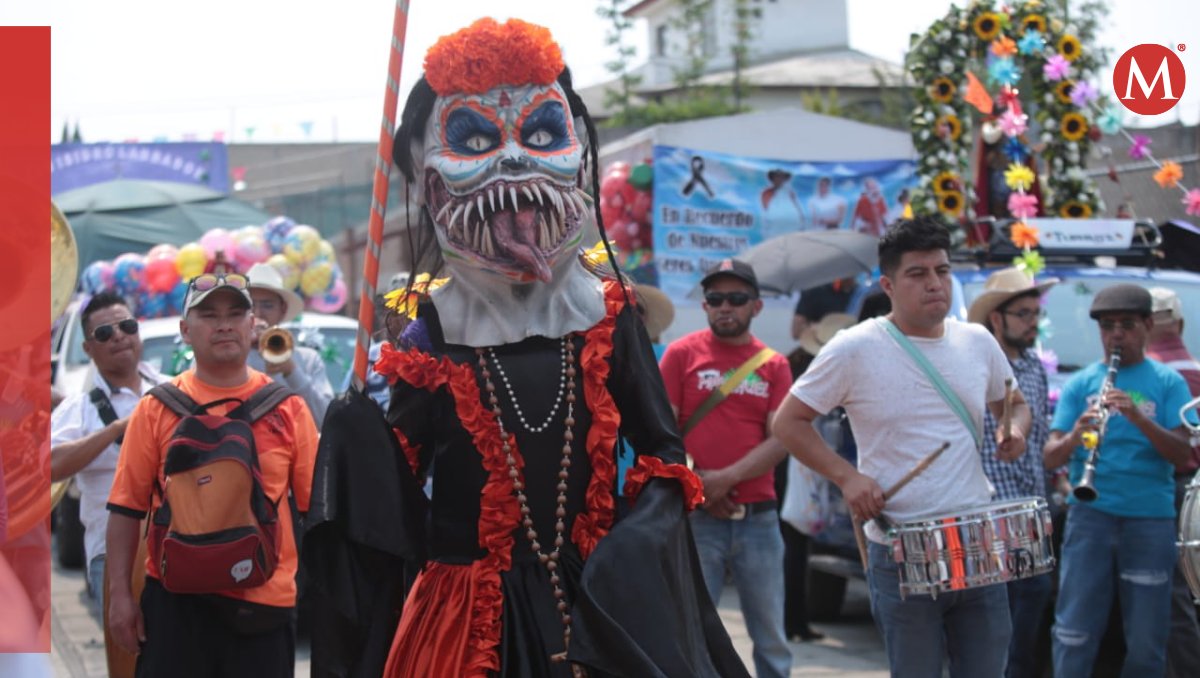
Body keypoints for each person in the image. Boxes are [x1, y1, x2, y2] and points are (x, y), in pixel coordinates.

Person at [304, 18, 749, 678]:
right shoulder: (428, 327)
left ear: (578, 158)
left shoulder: (607, 313)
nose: (513, 159)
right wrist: (354, 437)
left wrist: (638, 536)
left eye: (541, 134)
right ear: (430, 183)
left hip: (595, 598)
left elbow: (663, 449)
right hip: (465, 609)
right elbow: (401, 481)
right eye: (474, 140)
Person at [772, 217, 1031, 677]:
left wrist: (1014, 431)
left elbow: (1013, 403)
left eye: (942, 271)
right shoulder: (853, 348)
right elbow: (788, 422)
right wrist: (848, 477)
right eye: (918, 274)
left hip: (977, 543)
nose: (934, 284)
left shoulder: (977, 340)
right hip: (899, 544)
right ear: (888, 284)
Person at [105, 273, 319, 678]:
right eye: (209, 316)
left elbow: (315, 511)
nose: (224, 324)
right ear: (186, 330)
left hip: (265, 604)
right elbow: (125, 508)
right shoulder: (155, 410)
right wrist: (120, 596)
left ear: (252, 325)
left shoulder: (289, 409)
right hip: (175, 604)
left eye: (235, 314)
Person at [1043, 284, 1196, 677]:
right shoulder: (1081, 384)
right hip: (1089, 519)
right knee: (1074, 632)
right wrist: (1076, 435)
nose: (1116, 335)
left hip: (1149, 520)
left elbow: (1183, 454)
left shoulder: (1167, 382)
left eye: (1126, 325)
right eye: (1107, 327)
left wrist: (1140, 419)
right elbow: (1050, 456)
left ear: (1147, 325)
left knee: (1147, 642)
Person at [659, 258, 794, 678]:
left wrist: (724, 480)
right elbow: (662, 432)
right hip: (698, 521)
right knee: (694, 633)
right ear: (705, 306)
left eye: (736, 299)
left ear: (755, 306)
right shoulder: (681, 354)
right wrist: (700, 487)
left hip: (759, 520)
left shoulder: (774, 364)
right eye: (715, 298)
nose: (724, 307)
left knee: (771, 637)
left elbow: (783, 439)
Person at [967, 268, 1059, 678]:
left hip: (1033, 513)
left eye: (1035, 313)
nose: (1032, 323)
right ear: (997, 320)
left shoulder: (1037, 367)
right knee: (991, 624)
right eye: (1023, 314)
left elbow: (1038, 439)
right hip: (991, 513)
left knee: (1029, 620)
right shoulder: (976, 366)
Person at [50, 291, 166, 611]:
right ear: (88, 349)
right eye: (104, 333)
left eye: (126, 326)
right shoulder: (80, 407)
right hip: (114, 557)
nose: (119, 336)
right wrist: (116, 430)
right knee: (128, 659)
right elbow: (47, 466)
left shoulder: (174, 390)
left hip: (179, 548)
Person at [1145, 286, 1200, 678]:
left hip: (1168, 492)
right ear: (1179, 324)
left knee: (1173, 599)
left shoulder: (1151, 380)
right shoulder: (1196, 373)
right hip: (1192, 493)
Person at [245, 262, 334, 426]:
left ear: (283, 309)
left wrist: (291, 370)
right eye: (250, 306)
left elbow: (325, 419)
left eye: (267, 305)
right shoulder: (228, 355)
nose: (257, 314)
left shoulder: (308, 359)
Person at [791, 276, 860, 340]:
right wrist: (822, 329)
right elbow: (796, 331)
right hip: (815, 346)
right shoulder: (816, 290)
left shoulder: (861, 295)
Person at [761, 168, 804, 240]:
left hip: (789, 230)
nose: (779, 179)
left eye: (781, 177)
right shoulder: (766, 193)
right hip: (773, 230)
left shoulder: (789, 193)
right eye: (777, 176)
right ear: (772, 179)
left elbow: (797, 210)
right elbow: (766, 210)